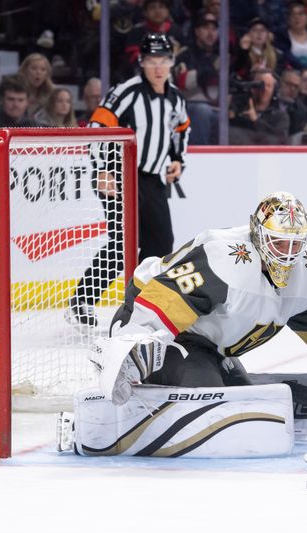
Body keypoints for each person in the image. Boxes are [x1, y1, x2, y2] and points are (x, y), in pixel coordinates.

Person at [60, 192, 307, 457]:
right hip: (156, 325)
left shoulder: (304, 275)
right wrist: (133, 344)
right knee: (206, 397)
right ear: (259, 235)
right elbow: (164, 297)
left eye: (296, 244)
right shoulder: (226, 259)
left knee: (236, 397)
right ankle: (113, 422)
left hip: (207, 343)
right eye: (279, 243)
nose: (288, 255)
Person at [67, 32, 191, 329]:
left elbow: (181, 130)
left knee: (161, 242)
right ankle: (82, 300)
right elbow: (97, 127)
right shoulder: (126, 92)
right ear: (142, 62)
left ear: (172, 62)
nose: (158, 67)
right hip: (120, 176)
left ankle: (140, 301)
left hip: (151, 178)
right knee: (122, 243)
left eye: (163, 60)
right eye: (152, 61)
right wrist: (102, 169)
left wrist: (177, 160)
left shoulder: (175, 97)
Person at [174, 10, 221, 145]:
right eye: (206, 28)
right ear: (197, 31)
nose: (210, 33)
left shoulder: (222, 54)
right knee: (203, 111)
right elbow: (184, 83)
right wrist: (210, 70)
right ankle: (200, 155)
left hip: (217, 107)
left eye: (214, 29)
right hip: (191, 105)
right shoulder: (185, 54)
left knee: (222, 117)